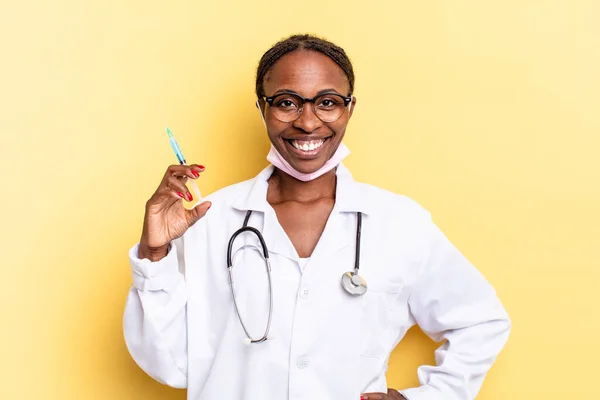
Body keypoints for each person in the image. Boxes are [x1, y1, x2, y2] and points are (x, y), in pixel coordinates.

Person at [123, 34, 511, 400]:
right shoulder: (209, 219)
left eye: (327, 102)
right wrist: (155, 256)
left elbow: (481, 322)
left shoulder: (399, 223)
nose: (307, 122)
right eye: (287, 102)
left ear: (349, 108)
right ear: (262, 107)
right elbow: (171, 366)